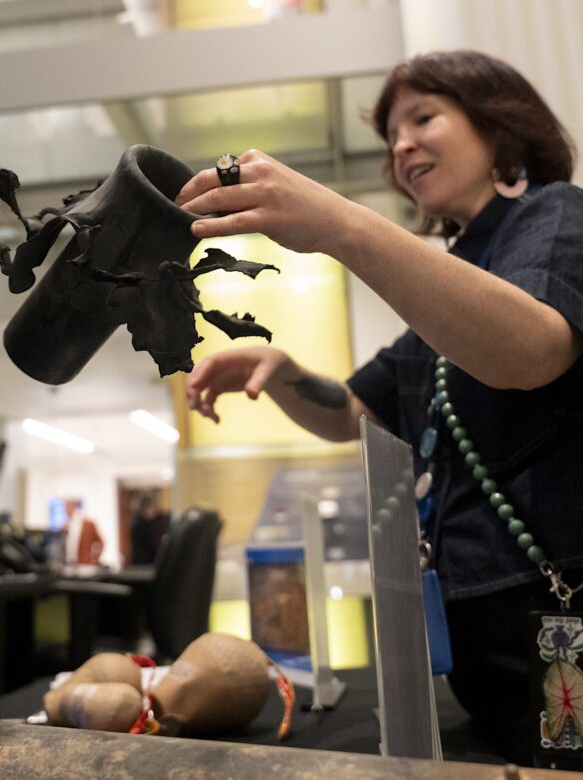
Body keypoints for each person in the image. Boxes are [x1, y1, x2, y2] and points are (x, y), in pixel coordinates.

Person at [178, 50, 583, 765]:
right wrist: (282, 373)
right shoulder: (455, 280)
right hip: (489, 651)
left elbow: (531, 348)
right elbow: (351, 412)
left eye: (424, 118)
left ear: (499, 127)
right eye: (393, 134)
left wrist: (342, 226)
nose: (402, 146)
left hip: (554, 625)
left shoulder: (553, 215)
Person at [129, 494, 169, 565]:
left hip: (143, 562)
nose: (153, 512)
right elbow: (153, 544)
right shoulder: (141, 525)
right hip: (144, 563)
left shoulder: (139, 523)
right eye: (151, 508)